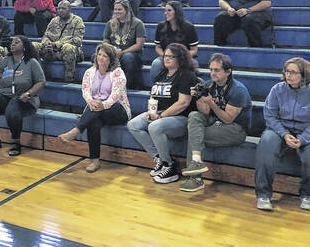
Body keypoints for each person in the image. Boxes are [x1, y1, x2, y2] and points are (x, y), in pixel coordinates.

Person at [180, 53, 252, 192]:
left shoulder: (238, 90)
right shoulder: (208, 85)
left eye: (217, 70)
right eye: (211, 69)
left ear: (228, 71)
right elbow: (205, 112)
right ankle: (196, 161)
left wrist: (212, 104)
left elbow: (228, 119)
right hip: (215, 122)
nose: (212, 73)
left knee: (195, 135)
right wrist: (199, 98)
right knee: (194, 115)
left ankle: (195, 178)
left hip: (236, 129)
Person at [127, 43, 197, 184]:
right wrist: (151, 112)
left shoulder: (186, 76)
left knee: (154, 126)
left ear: (180, 58)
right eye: (165, 56)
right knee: (133, 124)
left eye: (171, 56)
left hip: (181, 118)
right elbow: (153, 97)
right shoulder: (162, 74)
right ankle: (159, 157)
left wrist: (160, 116)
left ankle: (170, 166)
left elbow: (183, 103)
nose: (167, 59)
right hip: (160, 114)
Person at [58, 43, 131, 172]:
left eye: (105, 56)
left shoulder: (118, 73)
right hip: (97, 109)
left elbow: (115, 96)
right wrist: (91, 101)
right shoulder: (90, 72)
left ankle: (75, 131)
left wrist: (103, 104)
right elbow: (85, 91)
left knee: (95, 110)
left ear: (111, 59)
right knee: (94, 122)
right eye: (99, 55)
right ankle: (95, 160)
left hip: (117, 109)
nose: (101, 58)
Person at [254, 57, 310, 211]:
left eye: (293, 72)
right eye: (286, 71)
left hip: (305, 132)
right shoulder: (277, 89)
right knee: (266, 142)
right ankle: (263, 195)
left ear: (304, 75)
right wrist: (284, 134)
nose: (288, 75)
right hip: (279, 129)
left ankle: (307, 195)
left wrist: (303, 139)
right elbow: (270, 116)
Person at [0, 35, 46, 157]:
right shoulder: (6, 60)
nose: (13, 44)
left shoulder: (32, 62)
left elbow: (41, 82)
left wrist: (29, 93)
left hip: (25, 97)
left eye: (17, 42)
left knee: (11, 110)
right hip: (5, 95)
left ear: (25, 47)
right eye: (12, 42)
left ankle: (16, 142)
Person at [31, 0, 85, 83]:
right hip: (52, 51)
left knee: (68, 48)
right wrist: (47, 44)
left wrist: (56, 45)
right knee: (33, 45)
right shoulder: (54, 21)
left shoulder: (77, 20)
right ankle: (39, 78)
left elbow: (77, 40)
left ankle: (69, 80)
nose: (60, 10)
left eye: (63, 8)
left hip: (71, 52)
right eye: (59, 8)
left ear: (69, 10)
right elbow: (45, 36)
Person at [102, 0, 145, 90]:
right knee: (97, 56)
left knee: (127, 57)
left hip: (132, 54)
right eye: (115, 9)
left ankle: (127, 87)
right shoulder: (110, 23)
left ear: (127, 10)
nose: (117, 12)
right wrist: (111, 52)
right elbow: (106, 41)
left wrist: (122, 52)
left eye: (120, 9)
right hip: (114, 52)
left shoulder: (138, 23)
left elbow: (139, 45)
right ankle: (103, 86)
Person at [150, 1, 199, 82]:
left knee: (193, 65)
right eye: (165, 11)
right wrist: (166, 56)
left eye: (169, 10)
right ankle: (155, 89)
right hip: (166, 56)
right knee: (156, 64)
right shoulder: (160, 26)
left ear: (177, 12)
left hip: (184, 57)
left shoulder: (189, 27)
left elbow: (194, 49)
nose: (166, 13)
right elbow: (158, 47)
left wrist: (180, 58)